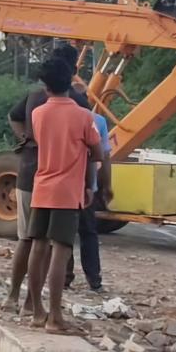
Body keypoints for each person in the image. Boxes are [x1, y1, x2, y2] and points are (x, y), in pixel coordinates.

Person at [4, 47, 91, 312]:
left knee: (26, 240)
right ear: (72, 71)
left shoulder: (33, 99)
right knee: (53, 247)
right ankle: (37, 305)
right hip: (62, 186)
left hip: (29, 174)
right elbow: (91, 150)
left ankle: (12, 297)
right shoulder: (79, 104)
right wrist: (92, 185)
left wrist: (24, 140)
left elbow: (13, 117)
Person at [24, 57, 105, 334]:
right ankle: (55, 317)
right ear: (71, 82)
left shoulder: (38, 114)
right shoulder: (84, 117)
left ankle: (37, 311)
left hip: (42, 187)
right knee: (61, 250)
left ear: (46, 86)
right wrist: (89, 181)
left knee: (38, 247)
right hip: (67, 192)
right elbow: (97, 152)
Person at [65, 81, 112, 291]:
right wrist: (105, 185)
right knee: (88, 233)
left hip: (65, 186)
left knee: (63, 233)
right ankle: (94, 279)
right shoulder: (98, 121)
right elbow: (102, 157)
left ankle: (64, 277)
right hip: (88, 187)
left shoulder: (61, 117)